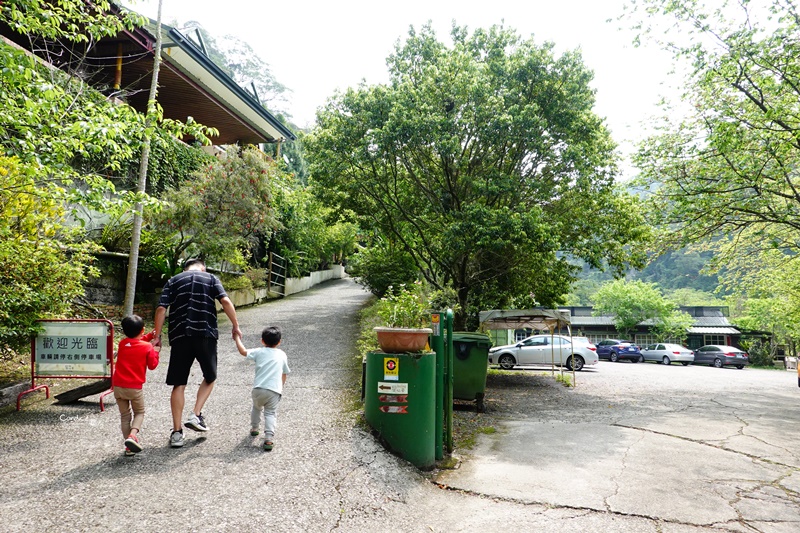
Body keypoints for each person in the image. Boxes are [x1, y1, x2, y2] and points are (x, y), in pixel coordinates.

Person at [153, 258, 241, 448]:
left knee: (179, 383)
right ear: (203, 268)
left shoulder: (174, 280)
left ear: (186, 269)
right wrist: (235, 325)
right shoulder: (210, 278)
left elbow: (161, 308)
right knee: (210, 376)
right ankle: (196, 413)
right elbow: (225, 300)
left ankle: (177, 433)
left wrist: (157, 336)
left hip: (179, 335)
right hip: (205, 334)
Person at [234, 326, 290, 452]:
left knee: (256, 408)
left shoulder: (259, 351)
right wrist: (281, 386)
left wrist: (237, 338)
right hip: (274, 390)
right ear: (279, 342)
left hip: (258, 389)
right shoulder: (282, 354)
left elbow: (243, 351)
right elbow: (284, 373)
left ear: (262, 341)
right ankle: (269, 438)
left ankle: (254, 429)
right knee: (270, 413)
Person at [112, 314, 160, 456]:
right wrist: (156, 352)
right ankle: (133, 435)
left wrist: (149, 336)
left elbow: (135, 343)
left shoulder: (122, 344)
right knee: (139, 412)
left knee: (125, 415)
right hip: (134, 388)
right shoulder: (148, 348)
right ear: (143, 329)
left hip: (118, 386)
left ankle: (128, 447)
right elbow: (152, 365)